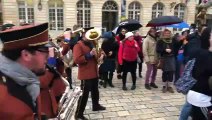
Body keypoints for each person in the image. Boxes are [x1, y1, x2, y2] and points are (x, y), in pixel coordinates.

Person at [0, 23, 50, 120]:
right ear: (26, 55)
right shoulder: (2, 96)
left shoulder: (28, 78)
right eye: (45, 50)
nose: (49, 56)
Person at [73, 28, 106, 120]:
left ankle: (96, 105)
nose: (92, 37)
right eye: (89, 34)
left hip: (94, 72)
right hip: (85, 74)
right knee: (84, 95)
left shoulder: (93, 43)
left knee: (95, 91)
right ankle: (78, 114)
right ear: (84, 35)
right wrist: (89, 54)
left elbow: (101, 52)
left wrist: (102, 55)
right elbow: (77, 60)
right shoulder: (78, 45)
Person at [186, 27, 212, 120]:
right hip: (202, 98)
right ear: (208, 38)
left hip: (200, 95)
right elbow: (199, 76)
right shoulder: (204, 55)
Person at [156, 29, 175, 93]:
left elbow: (176, 48)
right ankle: (164, 86)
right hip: (164, 58)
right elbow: (158, 49)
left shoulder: (173, 40)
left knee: (171, 72)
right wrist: (165, 50)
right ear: (163, 34)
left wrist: (172, 50)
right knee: (165, 72)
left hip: (171, 57)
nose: (167, 34)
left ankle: (170, 86)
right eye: (166, 33)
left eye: (168, 33)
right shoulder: (160, 41)